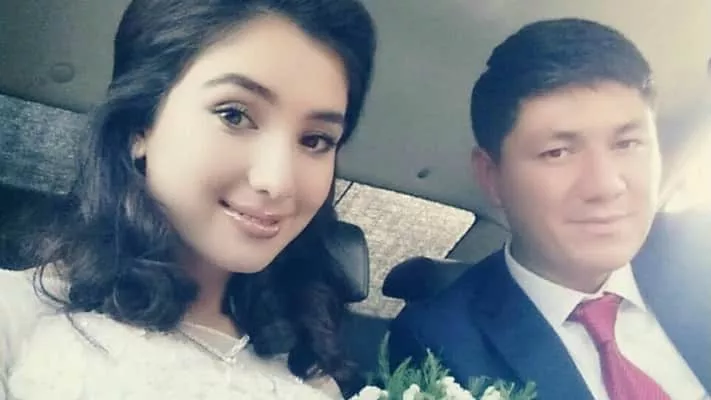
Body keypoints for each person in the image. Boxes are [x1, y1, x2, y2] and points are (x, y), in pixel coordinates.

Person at [0, 0, 375, 398]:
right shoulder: (17, 311)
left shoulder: (310, 370)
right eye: (234, 115)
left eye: (315, 140)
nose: (278, 181)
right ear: (140, 125)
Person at [388, 18, 710, 400]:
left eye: (627, 144)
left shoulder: (699, 256)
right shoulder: (438, 343)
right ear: (491, 177)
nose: (605, 185)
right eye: (557, 152)